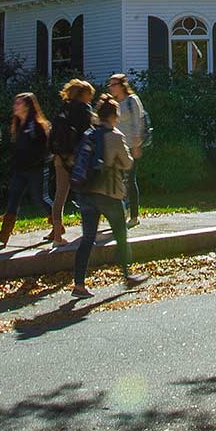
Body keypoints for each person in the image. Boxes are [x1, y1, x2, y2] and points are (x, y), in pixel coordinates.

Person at [72, 95, 147, 299]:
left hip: (86, 192)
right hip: (109, 193)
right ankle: (127, 275)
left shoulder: (90, 133)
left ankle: (78, 284)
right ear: (114, 116)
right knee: (121, 235)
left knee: (87, 239)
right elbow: (127, 163)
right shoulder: (114, 136)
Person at [0, 92, 50, 245]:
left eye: (18, 103)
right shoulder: (19, 125)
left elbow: (43, 149)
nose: (15, 106)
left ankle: (57, 225)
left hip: (35, 169)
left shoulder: (35, 125)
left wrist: (33, 162)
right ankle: (4, 233)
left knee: (40, 199)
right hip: (20, 170)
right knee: (13, 197)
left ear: (27, 106)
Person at [46, 79, 94, 244]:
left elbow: (52, 134)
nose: (91, 98)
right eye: (90, 94)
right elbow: (89, 134)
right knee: (87, 193)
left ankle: (57, 235)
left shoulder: (63, 108)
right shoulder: (84, 110)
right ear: (84, 94)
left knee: (60, 195)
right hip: (78, 158)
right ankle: (89, 231)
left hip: (60, 157)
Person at [106, 73, 149, 224]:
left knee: (130, 179)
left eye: (113, 84)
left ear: (122, 85)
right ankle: (122, 211)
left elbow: (139, 121)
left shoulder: (132, 100)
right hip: (117, 146)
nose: (111, 87)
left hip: (131, 145)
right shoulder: (112, 102)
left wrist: (137, 144)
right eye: (109, 85)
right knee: (117, 180)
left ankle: (134, 215)